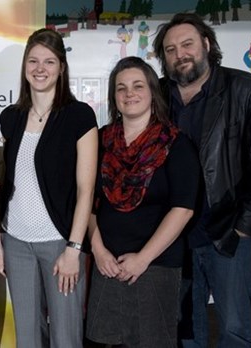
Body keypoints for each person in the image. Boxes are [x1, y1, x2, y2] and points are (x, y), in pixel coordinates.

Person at [153, 13, 251, 347]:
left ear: (207, 45)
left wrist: (241, 230)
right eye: (170, 49)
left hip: (227, 237)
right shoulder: (157, 99)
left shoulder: (247, 90)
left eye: (187, 45)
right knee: (185, 332)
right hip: (175, 240)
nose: (180, 54)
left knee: (235, 331)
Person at [0, 28, 98, 347]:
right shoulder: (11, 117)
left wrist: (73, 250)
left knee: (66, 337)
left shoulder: (79, 116)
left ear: (61, 67)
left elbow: (85, 190)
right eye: (33, 61)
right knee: (27, 337)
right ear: (24, 67)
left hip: (59, 244)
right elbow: (7, 182)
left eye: (49, 61)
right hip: (16, 243)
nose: (40, 68)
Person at [84, 56, 200, 348]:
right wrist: (98, 251)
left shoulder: (175, 143)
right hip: (106, 265)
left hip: (155, 266)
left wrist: (143, 259)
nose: (129, 93)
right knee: (102, 341)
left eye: (137, 86)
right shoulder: (99, 140)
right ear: (114, 97)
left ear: (152, 92)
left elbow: (183, 209)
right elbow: (87, 200)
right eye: (121, 88)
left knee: (151, 342)